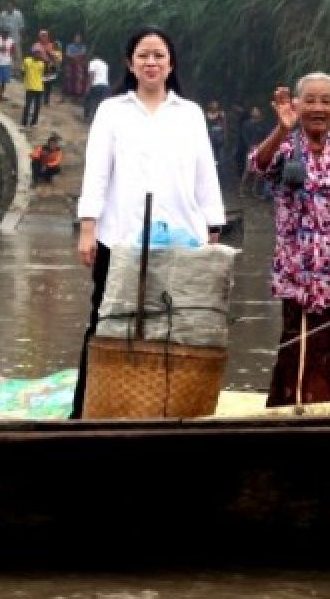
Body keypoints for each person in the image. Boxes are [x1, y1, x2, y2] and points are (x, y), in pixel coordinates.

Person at [70, 25, 226, 418]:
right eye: (143, 55)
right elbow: (97, 173)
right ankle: (88, 410)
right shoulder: (112, 111)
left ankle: (171, 406)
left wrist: (212, 226)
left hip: (181, 238)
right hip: (119, 235)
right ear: (130, 63)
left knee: (177, 322)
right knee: (106, 320)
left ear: (171, 63)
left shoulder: (189, 113)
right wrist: (88, 228)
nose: (151, 62)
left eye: (159, 55)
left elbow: (205, 171)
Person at [248, 73, 330, 406]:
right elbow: (258, 165)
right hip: (297, 274)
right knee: (296, 351)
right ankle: (288, 418)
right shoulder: (287, 147)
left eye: (326, 101)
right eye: (310, 100)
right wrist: (282, 128)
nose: (318, 108)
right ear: (296, 105)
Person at [238, 106, 272, 198]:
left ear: (260, 113)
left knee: (258, 171)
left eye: (257, 111)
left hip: (261, 149)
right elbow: (244, 136)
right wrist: (250, 145)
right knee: (248, 170)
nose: (255, 112)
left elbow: (268, 136)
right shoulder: (246, 124)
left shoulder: (263, 124)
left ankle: (254, 191)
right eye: (253, 111)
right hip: (251, 150)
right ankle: (241, 189)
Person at [20, 44, 46, 128]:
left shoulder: (42, 64)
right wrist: (26, 80)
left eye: (39, 53)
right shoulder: (27, 61)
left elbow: (43, 74)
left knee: (37, 107)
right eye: (37, 52)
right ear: (33, 52)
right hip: (30, 87)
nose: (38, 54)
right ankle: (24, 123)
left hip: (39, 87)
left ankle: (33, 123)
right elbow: (23, 72)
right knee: (27, 105)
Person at [0, 0, 25, 75]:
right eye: (8, 6)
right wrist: (1, 39)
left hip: (16, 38)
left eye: (11, 6)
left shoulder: (18, 14)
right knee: (8, 55)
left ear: (13, 6)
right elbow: (0, 27)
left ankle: (17, 71)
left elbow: (21, 26)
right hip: (6, 39)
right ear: (6, 6)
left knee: (18, 55)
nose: (9, 7)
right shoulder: (3, 14)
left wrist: (21, 37)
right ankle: (10, 71)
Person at [83, 52, 110, 122]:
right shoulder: (105, 64)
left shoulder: (92, 63)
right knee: (100, 104)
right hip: (105, 86)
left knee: (89, 100)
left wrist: (88, 87)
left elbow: (92, 76)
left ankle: (86, 116)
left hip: (96, 84)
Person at [63, 33, 87, 99]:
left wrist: (76, 57)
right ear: (74, 39)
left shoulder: (83, 46)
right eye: (76, 38)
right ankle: (67, 93)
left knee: (79, 79)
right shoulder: (70, 46)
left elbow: (82, 54)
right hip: (71, 63)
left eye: (79, 38)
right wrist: (75, 57)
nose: (77, 39)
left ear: (81, 39)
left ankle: (77, 95)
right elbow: (68, 54)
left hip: (79, 63)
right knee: (68, 78)